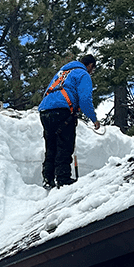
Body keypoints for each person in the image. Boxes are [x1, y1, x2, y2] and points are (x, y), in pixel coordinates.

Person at [37, 54, 99, 188]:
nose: (91, 72)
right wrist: (94, 119)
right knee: (65, 146)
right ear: (90, 65)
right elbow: (85, 99)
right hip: (63, 111)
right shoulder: (83, 74)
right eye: (92, 69)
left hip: (45, 111)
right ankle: (63, 178)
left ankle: (48, 178)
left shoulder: (62, 73)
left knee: (51, 146)